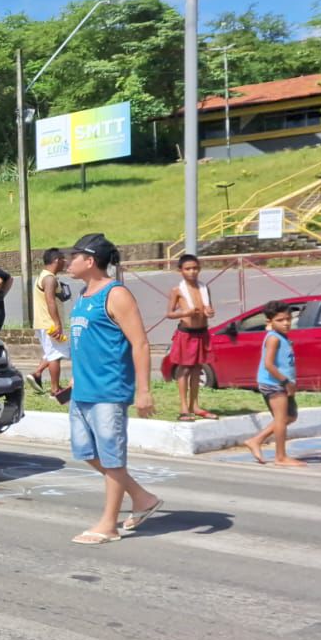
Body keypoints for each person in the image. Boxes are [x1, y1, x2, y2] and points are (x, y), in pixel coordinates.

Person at [63, 233, 164, 546]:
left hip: (109, 390)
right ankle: (141, 497)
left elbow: (140, 343)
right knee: (86, 452)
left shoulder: (116, 294)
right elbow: (86, 343)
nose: (69, 261)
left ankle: (108, 524)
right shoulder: (83, 294)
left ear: (90, 261)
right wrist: (75, 377)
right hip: (83, 390)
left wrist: (143, 390)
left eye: (74, 256)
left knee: (112, 457)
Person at [243, 300, 304, 467]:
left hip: (282, 382)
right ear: (269, 322)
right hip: (274, 383)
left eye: (288, 319)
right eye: (280, 320)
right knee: (280, 419)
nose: (286, 323)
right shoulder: (273, 339)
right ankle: (280, 457)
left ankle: (256, 440)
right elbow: (268, 364)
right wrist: (285, 382)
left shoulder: (282, 337)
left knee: (290, 416)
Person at [165, 253, 216, 421]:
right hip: (186, 333)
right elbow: (170, 314)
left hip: (201, 332)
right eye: (188, 269)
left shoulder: (204, 288)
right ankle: (183, 407)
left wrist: (209, 312)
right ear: (180, 270)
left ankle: (195, 404)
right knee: (184, 369)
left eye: (195, 268)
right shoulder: (177, 290)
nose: (192, 272)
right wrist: (185, 312)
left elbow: (209, 308)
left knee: (196, 369)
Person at [29, 249, 72, 399]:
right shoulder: (49, 279)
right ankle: (55, 389)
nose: (65, 262)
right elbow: (50, 301)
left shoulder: (44, 276)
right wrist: (57, 324)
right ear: (56, 260)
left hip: (43, 322)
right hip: (49, 323)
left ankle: (37, 373)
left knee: (53, 352)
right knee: (55, 356)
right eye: (62, 259)